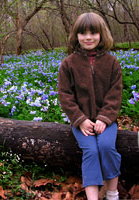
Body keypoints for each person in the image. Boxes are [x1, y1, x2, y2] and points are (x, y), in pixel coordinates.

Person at [58, 12, 123, 200]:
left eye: (93, 33)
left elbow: (115, 94)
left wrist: (104, 118)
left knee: (106, 147)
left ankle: (112, 193)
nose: (88, 37)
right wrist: (80, 120)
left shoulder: (112, 63)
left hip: (107, 121)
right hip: (81, 122)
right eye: (83, 33)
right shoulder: (68, 64)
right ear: (76, 36)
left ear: (102, 34)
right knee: (91, 151)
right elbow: (65, 95)